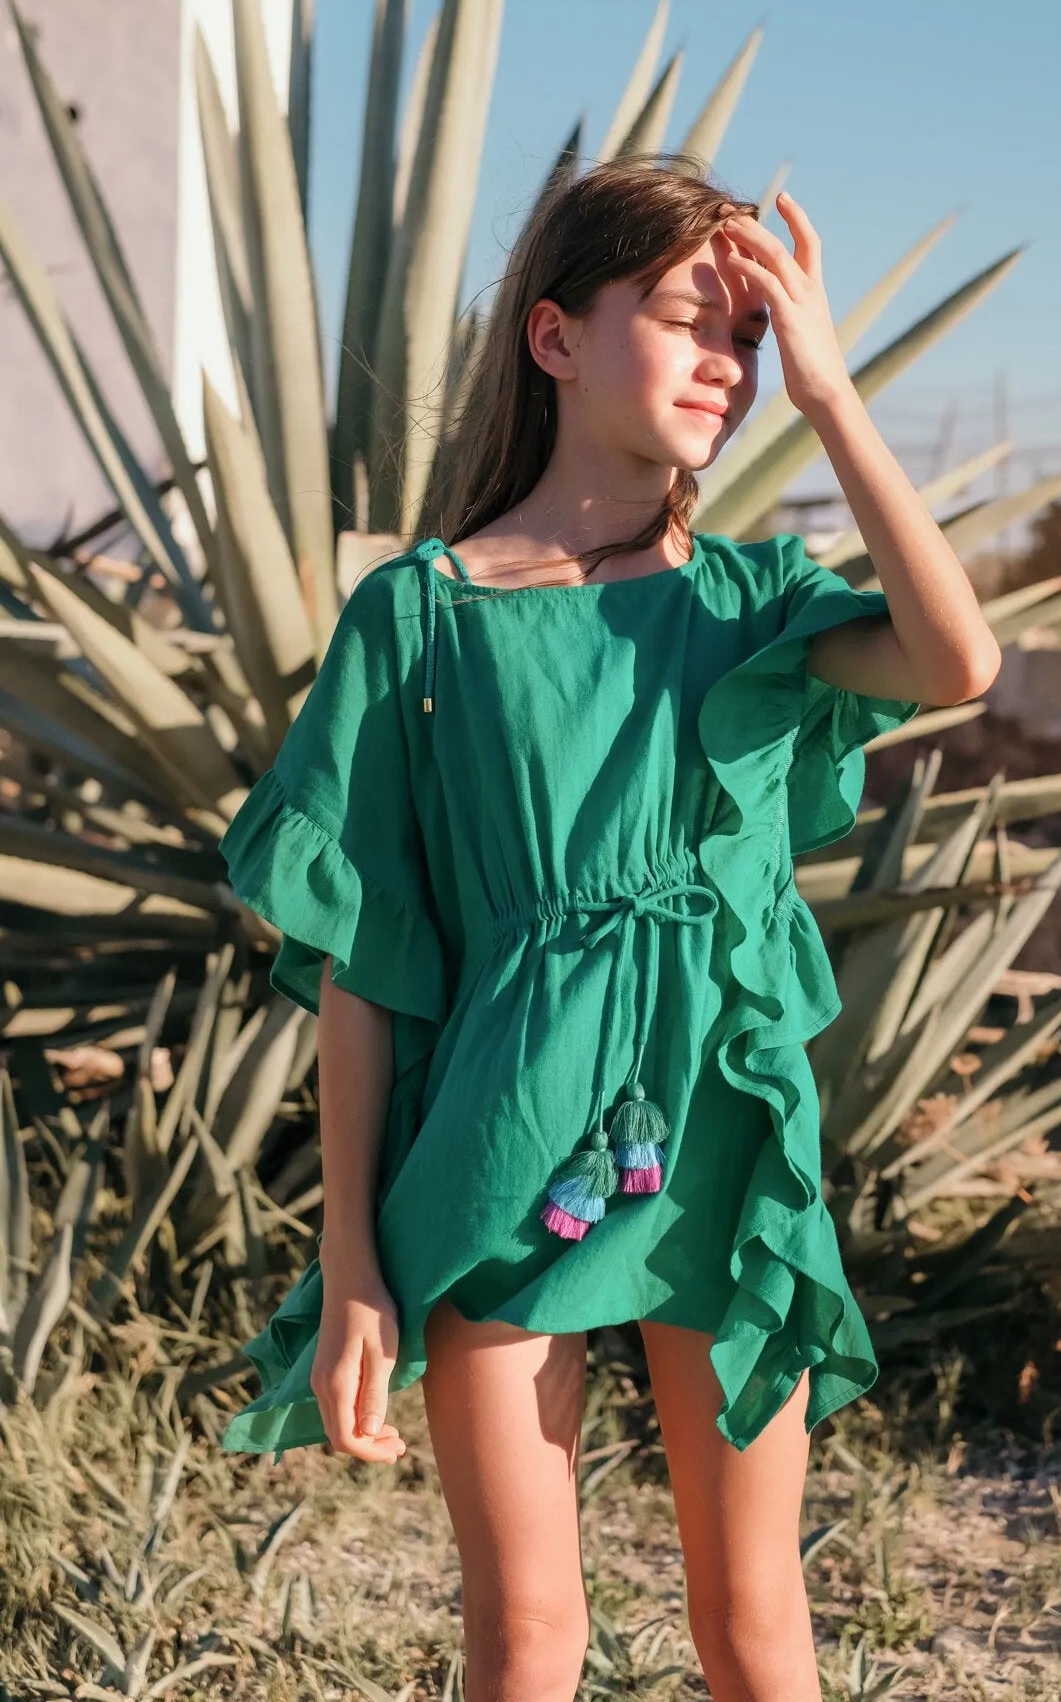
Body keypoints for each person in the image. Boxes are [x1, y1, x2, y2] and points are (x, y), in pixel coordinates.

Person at [217, 152, 1001, 1699]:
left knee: (756, 1623)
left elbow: (954, 658)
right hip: (505, 1136)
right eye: (686, 319)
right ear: (556, 336)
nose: (727, 362)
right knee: (521, 1635)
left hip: (716, 1116)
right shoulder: (422, 615)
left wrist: (836, 399)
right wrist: (354, 1250)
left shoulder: (753, 603)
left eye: (749, 339)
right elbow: (368, 969)